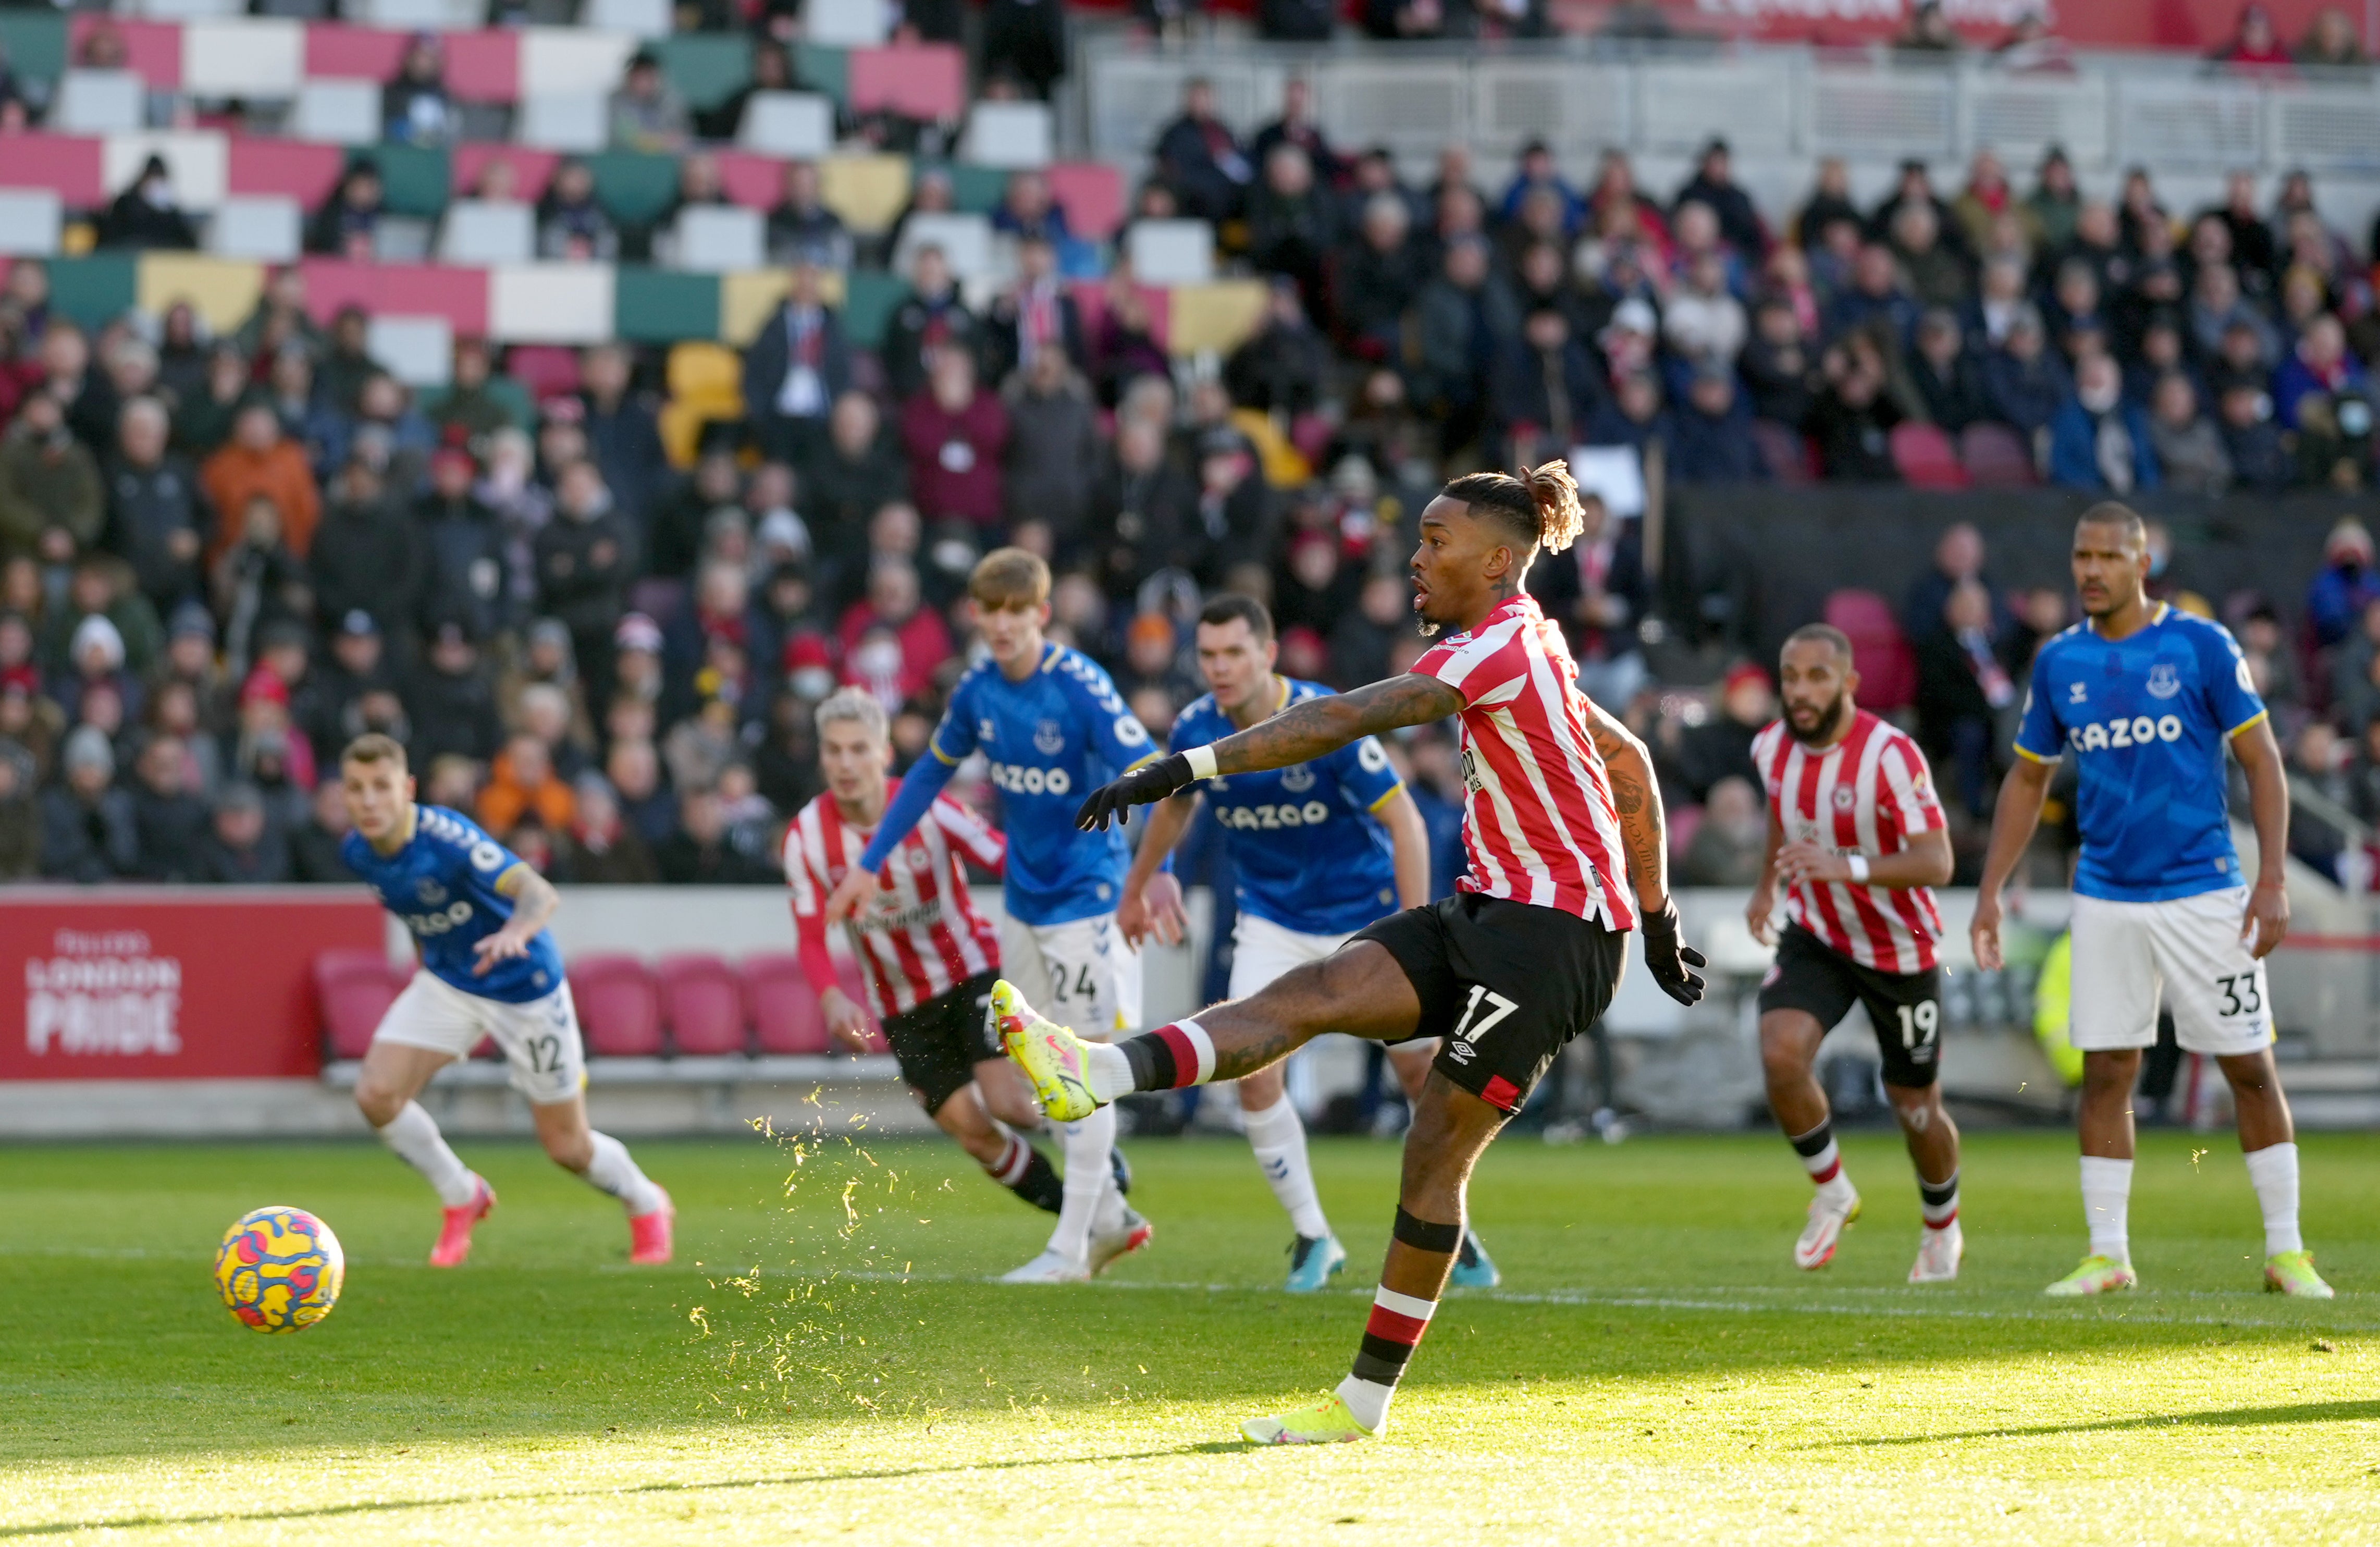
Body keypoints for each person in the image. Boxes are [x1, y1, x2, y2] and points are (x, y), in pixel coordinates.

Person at [1005, 463, 1706, 1443]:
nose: (1414, 559)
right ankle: (1093, 1072)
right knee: (1316, 989)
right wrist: (1660, 910)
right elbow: (1624, 759)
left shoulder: (1499, 644)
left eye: (1434, 542)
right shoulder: (1524, 641)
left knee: (1431, 1150)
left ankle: (1361, 1402)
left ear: (1499, 561)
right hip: (1487, 913)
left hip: (1555, 940)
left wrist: (1185, 765)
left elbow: (1339, 717)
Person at [1971, 504, 2328, 1299]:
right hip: (2103, 894)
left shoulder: (2198, 645)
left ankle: (2285, 1251)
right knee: (2106, 1071)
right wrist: (1990, 890)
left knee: (2245, 1064)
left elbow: (2262, 763)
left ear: (2141, 563)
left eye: (2107, 555)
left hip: (2204, 889)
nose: (2090, 569)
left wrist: (2269, 878)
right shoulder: (2058, 662)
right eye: (2080, 555)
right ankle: (2107, 1255)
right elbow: (2026, 779)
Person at [1114, 594, 1499, 1293]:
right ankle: (1313, 1237)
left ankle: (1453, 1227)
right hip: (1272, 923)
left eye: (1234, 653)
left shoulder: (1326, 719)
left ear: (1266, 655)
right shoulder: (1198, 725)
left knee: (1425, 1078)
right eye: (1207, 655)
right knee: (1252, 1070)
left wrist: (1415, 930)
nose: (1219, 667)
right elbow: (1175, 803)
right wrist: (1144, 882)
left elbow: (1405, 822)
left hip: (1366, 922)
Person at [823, 548, 1158, 1284]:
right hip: (1023, 900)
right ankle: (1103, 1221)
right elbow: (927, 774)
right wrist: (870, 861)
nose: (1002, 625)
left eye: (1017, 612)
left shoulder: (1078, 688)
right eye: (990, 611)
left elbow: (1150, 773)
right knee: (1040, 1067)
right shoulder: (978, 692)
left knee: (1083, 1066)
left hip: (1086, 898)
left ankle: (1070, 1250)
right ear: (975, 616)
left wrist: (1150, 875)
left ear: (1041, 614)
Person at [789, 688, 1143, 1251]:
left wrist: (1073, 877)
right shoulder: (806, 837)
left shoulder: (926, 804)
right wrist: (831, 995)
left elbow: (1001, 855)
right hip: (900, 1003)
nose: (846, 763)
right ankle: (1091, 1215)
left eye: (859, 749)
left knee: (1009, 1103)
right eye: (833, 751)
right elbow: (810, 936)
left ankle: (1097, 1191)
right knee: (975, 1135)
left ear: (884, 753)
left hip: (971, 971)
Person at [340, 732, 674, 1268]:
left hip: (524, 986)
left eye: (382, 786)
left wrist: (516, 931)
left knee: (568, 1148)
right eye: (357, 789)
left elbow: (540, 893)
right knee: (377, 1094)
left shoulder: (448, 838)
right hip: (451, 980)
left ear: (407, 788)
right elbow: (421, 916)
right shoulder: (357, 850)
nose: (370, 800)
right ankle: (461, 1194)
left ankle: (647, 1201)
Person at [1745, 625, 1960, 1283]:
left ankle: (1941, 1226)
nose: (1800, 691)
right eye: (1790, 676)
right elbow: (1784, 810)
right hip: (1820, 934)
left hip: (1899, 946)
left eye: (1816, 676)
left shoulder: (1891, 756)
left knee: (1915, 1105)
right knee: (1780, 1052)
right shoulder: (1769, 746)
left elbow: (1939, 860)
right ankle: (1833, 1190)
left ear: (1848, 684)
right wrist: (1767, 885)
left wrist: (1845, 866)